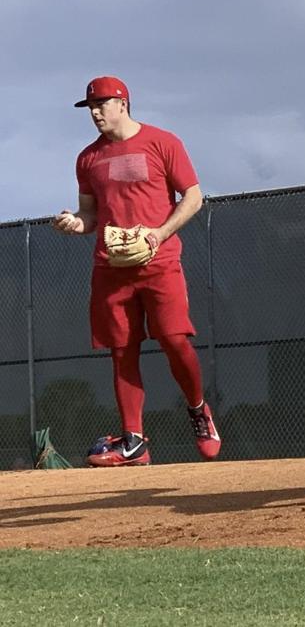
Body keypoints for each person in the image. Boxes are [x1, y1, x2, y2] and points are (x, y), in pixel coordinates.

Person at [51, 76, 220, 466]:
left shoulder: (163, 142)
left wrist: (158, 235)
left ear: (122, 103)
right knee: (121, 351)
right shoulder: (87, 158)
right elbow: (90, 216)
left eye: (101, 104)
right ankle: (134, 441)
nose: (95, 112)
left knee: (174, 340)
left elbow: (193, 197)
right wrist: (73, 223)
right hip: (111, 267)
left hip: (158, 261)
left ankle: (198, 411)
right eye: (90, 107)